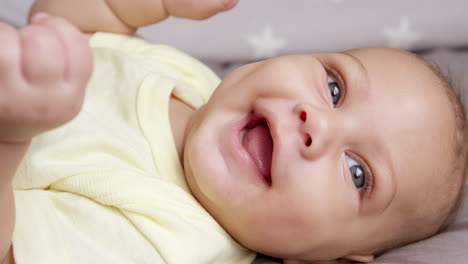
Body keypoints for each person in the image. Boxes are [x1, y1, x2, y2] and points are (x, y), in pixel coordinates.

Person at [0, 0, 466, 263]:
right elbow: (65, 24)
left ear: (330, 260)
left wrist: (11, 136)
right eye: (334, 86)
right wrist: (136, 8)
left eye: (358, 172)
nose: (317, 123)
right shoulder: (191, 80)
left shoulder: (176, 244)